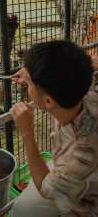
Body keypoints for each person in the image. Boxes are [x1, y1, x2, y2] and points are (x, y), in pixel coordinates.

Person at [10, 41, 98, 217]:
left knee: (21, 211)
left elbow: (45, 188)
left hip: (84, 199)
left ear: (48, 102)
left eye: (30, 85)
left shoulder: (77, 160)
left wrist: (27, 133)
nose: (28, 85)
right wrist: (32, 74)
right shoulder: (87, 89)